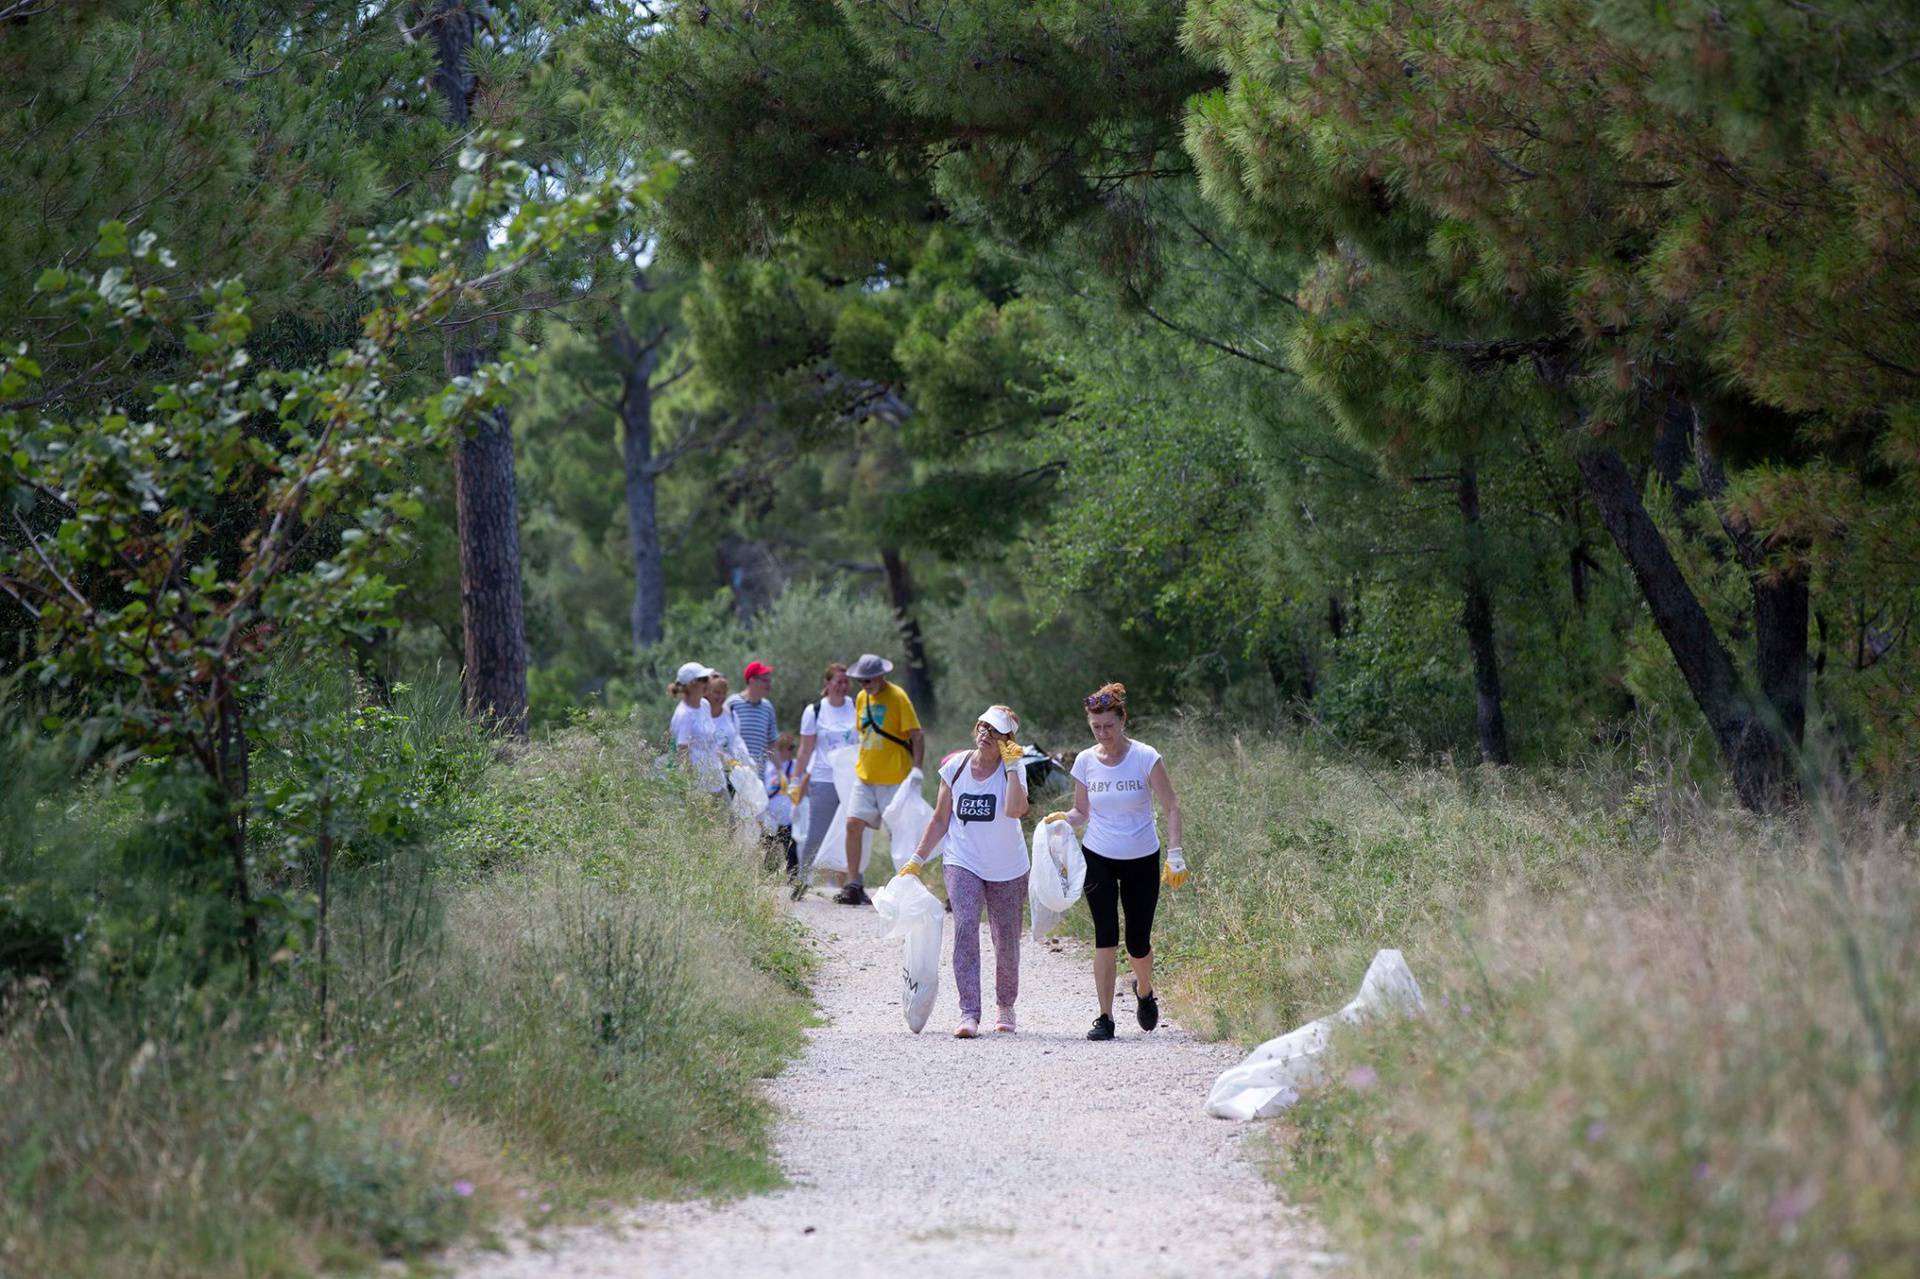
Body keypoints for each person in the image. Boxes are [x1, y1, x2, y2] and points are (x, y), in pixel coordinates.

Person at [1045, 682, 1188, 1041]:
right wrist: (1060, 818)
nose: (1103, 733)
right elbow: (1081, 811)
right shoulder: (1085, 761)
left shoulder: (1145, 756)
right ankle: (1105, 1018)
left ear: (1123, 719)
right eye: (1096, 727)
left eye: (1109, 725)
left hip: (1142, 856)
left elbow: (1171, 805)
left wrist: (1175, 853)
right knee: (1105, 936)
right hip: (1099, 856)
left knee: (1138, 940)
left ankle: (1144, 990)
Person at [899, 706, 1030, 1038]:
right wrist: (917, 859)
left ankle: (1005, 1006)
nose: (986, 734)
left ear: (1008, 740)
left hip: (1008, 866)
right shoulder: (955, 767)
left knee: (1006, 938)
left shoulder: (1014, 769)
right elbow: (941, 819)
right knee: (966, 926)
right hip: (963, 860)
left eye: (995, 731)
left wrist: (1013, 767)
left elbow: (1016, 810)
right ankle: (968, 1012)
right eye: (983, 727)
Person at [839, 652, 924, 906]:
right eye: (861, 681)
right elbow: (862, 734)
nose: (865, 685)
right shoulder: (861, 698)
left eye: (869, 680)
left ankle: (906, 886)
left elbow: (917, 735)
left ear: (881, 676)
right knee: (852, 824)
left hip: (895, 777)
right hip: (865, 776)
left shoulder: (898, 697)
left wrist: (917, 770)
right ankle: (854, 883)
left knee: (899, 833)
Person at [792, 661, 859, 899]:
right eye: (838, 681)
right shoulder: (815, 712)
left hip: (852, 778)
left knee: (853, 830)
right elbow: (805, 749)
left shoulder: (856, 706)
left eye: (846, 682)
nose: (843, 686)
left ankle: (854, 883)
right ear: (827, 684)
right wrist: (795, 779)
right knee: (817, 832)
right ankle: (802, 879)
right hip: (824, 778)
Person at [667, 662, 725, 795]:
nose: (709, 682)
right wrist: (692, 792)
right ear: (692, 684)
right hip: (701, 789)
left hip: (717, 781)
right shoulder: (685, 714)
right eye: (704, 679)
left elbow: (708, 742)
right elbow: (682, 754)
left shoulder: (705, 705)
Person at [762, 732, 801, 877]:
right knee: (768, 850)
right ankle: (767, 878)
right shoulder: (767, 767)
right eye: (790, 748)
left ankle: (792, 879)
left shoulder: (795, 765)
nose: (792, 751)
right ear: (779, 749)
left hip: (789, 817)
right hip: (771, 817)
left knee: (791, 852)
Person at [726, 660, 779, 768]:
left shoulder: (768, 707)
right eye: (765, 680)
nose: (769, 684)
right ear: (752, 680)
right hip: (735, 774)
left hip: (758, 777)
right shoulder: (732, 703)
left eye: (769, 680)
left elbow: (772, 744)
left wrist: (780, 771)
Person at [705, 676, 753, 777]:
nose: (721, 697)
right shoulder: (700, 715)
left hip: (729, 774)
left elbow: (737, 743)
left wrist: (749, 764)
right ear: (707, 692)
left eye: (724, 693)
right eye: (717, 692)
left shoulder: (731, 715)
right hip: (706, 773)